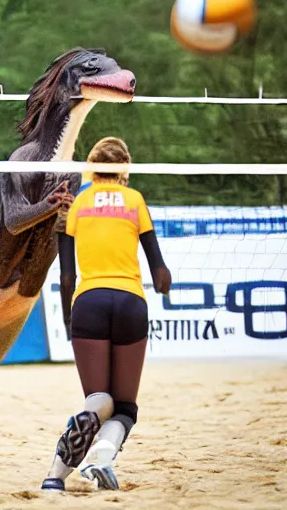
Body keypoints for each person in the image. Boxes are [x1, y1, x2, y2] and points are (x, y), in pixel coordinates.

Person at [42, 137, 172, 491]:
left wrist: (71, 319)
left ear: (92, 166)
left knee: (99, 399)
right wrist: (165, 285)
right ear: (124, 168)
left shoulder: (77, 203)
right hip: (130, 303)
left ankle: (55, 477)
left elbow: (66, 277)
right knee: (126, 408)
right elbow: (160, 274)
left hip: (89, 303)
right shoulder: (135, 200)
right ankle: (101, 459)